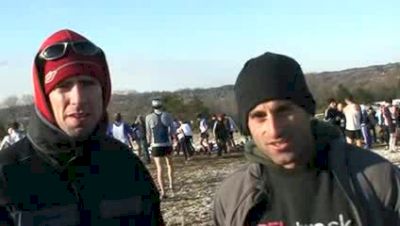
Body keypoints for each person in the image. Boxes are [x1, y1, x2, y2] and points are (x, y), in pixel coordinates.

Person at [213, 52, 400, 225]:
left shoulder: (379, 179)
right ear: (247, 126)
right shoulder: (232, 197)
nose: (274, 130)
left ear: (307, 110)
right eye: (259, 116)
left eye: (284, 111)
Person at [0, 29, 163, 225]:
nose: (78, 99)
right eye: (63, 86)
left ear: (103, 92)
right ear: (45, 98)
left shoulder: (126, 166)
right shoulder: (7, 174)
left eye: (87, 83)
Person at [146, 98, 175, 199]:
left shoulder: (148, 117)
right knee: (170, 165)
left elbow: (148, 133)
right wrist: (173, 139)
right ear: (162, 105)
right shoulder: (168, 115)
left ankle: (163, 191)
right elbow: (172, 131)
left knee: (159, 168)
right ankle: (172, 185)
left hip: (156, 146)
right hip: (167, 144)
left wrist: (149, 143)